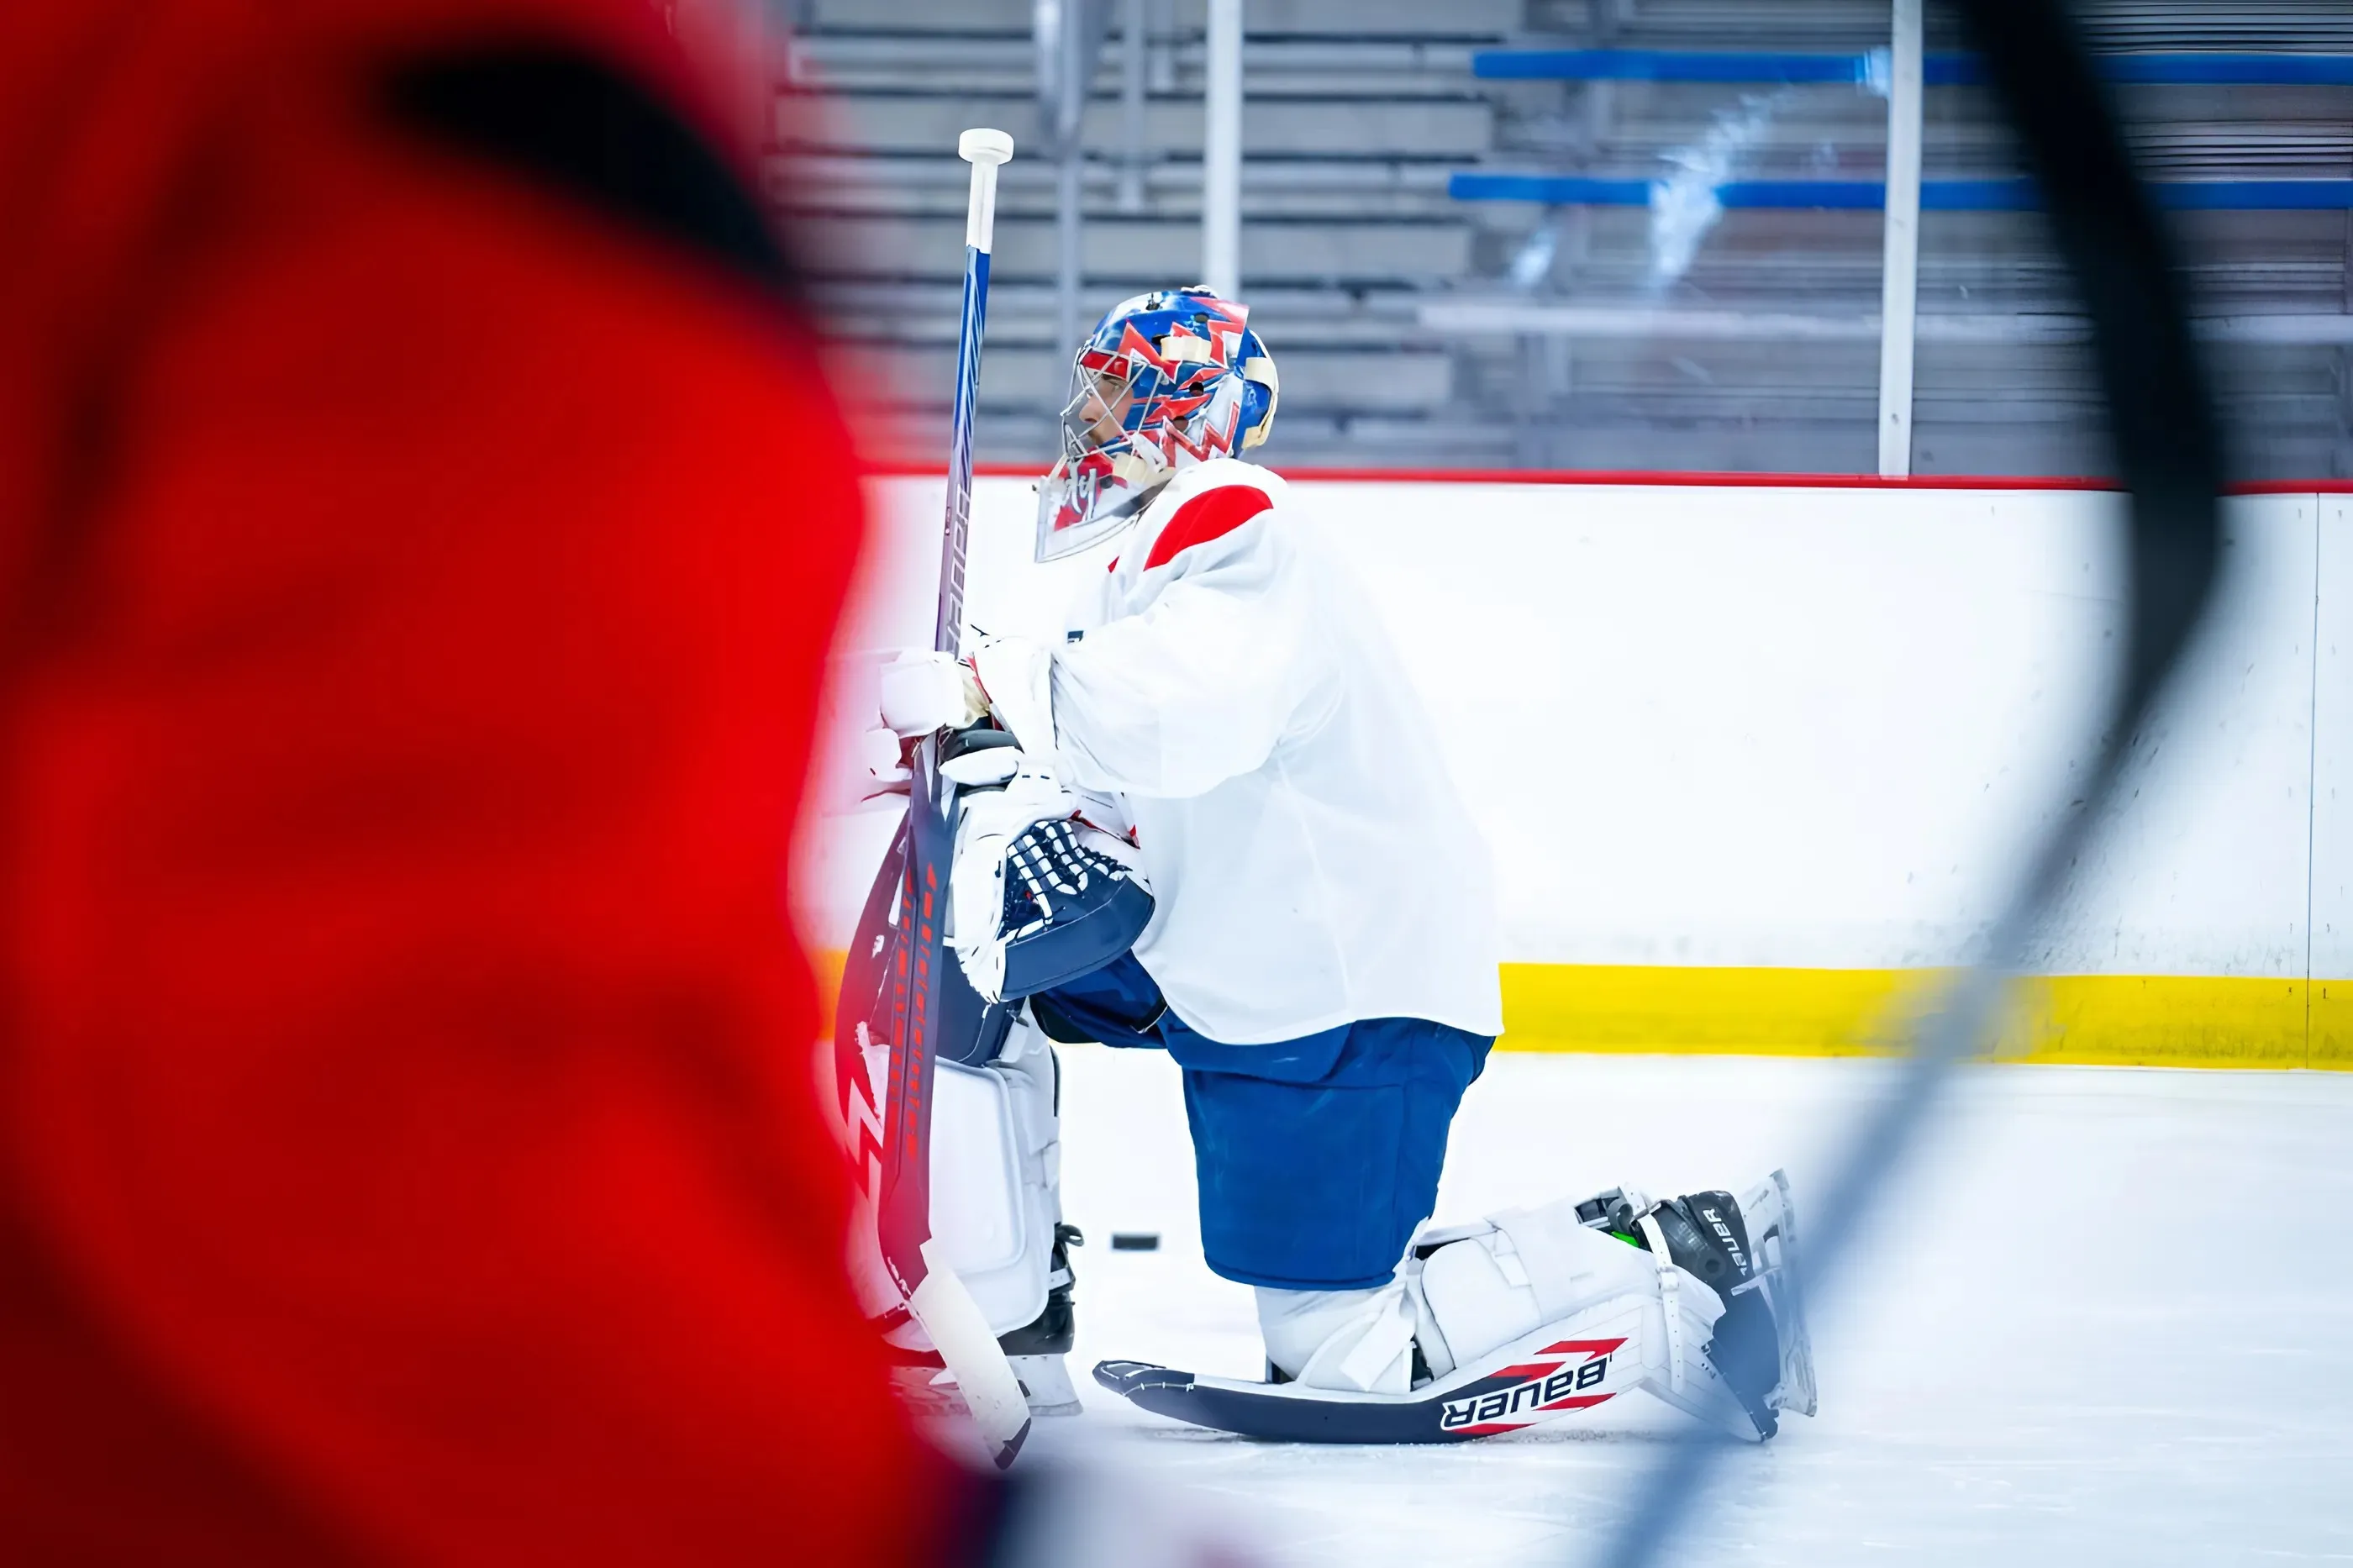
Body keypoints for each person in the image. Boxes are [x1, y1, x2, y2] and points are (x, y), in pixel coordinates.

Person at [876, 287, 1816, 1443]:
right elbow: (1145, 779)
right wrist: (1002, 757)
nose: (1087, 414)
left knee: (1343, 1352)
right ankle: (1010, 1312)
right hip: (1243, 956)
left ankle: (1681, 1256)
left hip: (1341, 989)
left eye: (1115, 388)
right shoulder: (1157, 559)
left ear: (1185, 405)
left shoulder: (1229, 515)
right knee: (977, 972)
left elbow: (1191, 713)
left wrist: (992, 682)